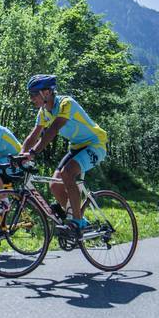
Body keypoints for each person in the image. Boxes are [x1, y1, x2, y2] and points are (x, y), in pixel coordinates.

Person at [21, 74, 107, 233]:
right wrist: (20, 155)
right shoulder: (43, 112)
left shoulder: (66, 104)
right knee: (54, 185)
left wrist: (33, 153)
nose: (31, 98)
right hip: (76, 147)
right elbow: (33, 136)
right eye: (30, 95)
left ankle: (77, 221)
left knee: (67, 174)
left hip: (95, 144)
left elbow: (52, 131)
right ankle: (80, 219)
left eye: (33, 94)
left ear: (46, 92)